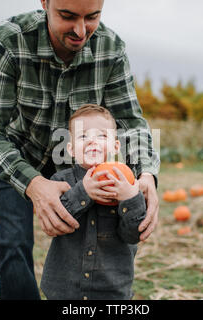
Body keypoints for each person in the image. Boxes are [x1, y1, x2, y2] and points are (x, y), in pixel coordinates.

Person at [0, 0, 160, 300]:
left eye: (92, 17)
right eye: (67, 16)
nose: (80, 30)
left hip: (83, 161)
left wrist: (147, 173)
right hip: (18, 155)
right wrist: (34, 185)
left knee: (99, 234)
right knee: (15, 241)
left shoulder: (110, 48)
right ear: (45, 3)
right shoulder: (8, 41)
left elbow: (131, 121)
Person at [41, 104, 146, 300]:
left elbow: (133, 235)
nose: (92, 142)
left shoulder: (127, 183)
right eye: (83, 136)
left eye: (101, 136)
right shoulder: (59, 182)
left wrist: (130, 198)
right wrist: (83, 192)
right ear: (71, 149)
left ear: (116, 146)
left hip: (111, 291)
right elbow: (55, 223)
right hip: (64, 290)